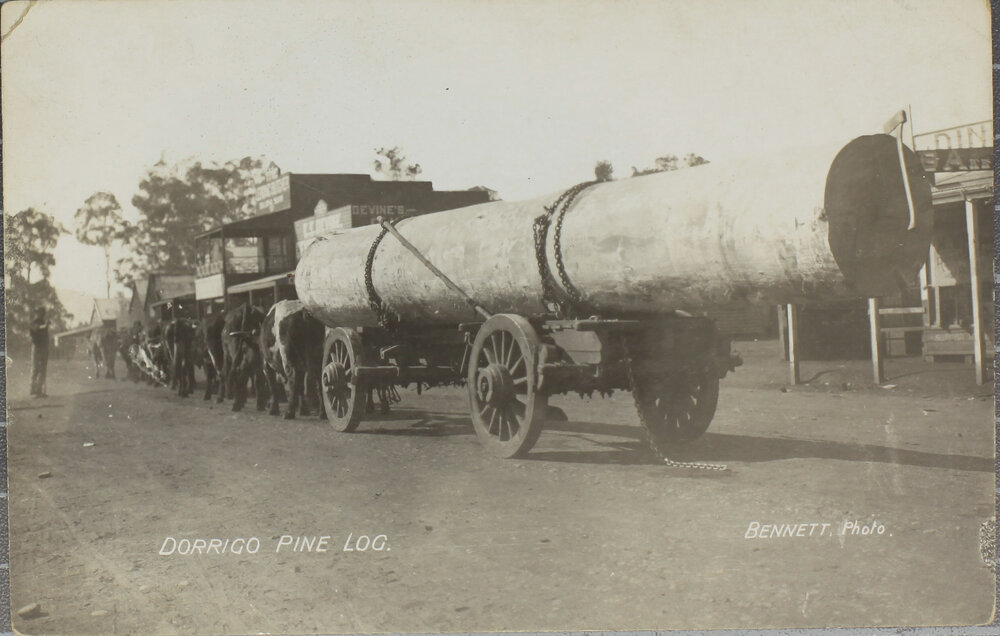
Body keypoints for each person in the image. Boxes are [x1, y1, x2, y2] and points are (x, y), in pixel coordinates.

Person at [29, 306, 50, 398]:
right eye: (40, 312)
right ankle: (33, 391)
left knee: (43, 369)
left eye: (42, 313)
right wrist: (46, 325)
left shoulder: (42, 322)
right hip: (37, 347)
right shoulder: (34, 322)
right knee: (35, 368)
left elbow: (45, 333)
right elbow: (37, 328)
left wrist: (46, 325)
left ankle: (40, 391)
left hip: (44, 347)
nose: (41, 314)